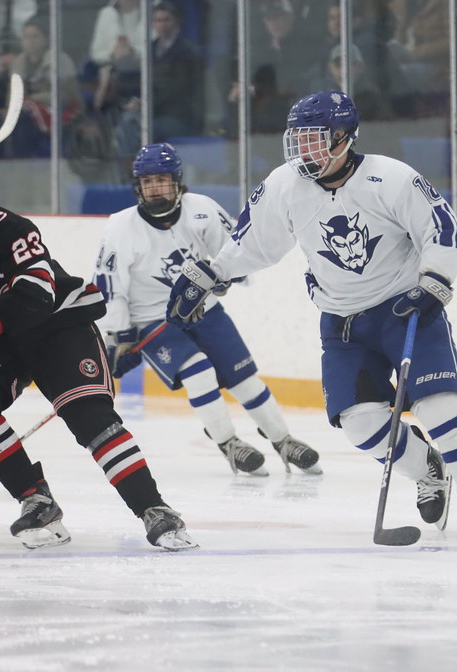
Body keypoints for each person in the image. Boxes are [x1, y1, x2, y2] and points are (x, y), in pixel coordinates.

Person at [166, 90, 457, 536]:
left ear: (345, 137)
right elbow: (252, 244)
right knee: (361, 426)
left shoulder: (390, 178)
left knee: (439, 405)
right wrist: (209, 274)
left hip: (406, 310)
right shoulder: (284, 186)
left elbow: (439, 224)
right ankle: (428, 469)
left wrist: (434, 280)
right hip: (343, 325)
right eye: (299, 140)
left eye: (316, 139)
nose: (304, 151)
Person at [0, 166, 197, 551]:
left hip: (58, 326)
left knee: (89, 417)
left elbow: (35, 295)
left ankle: (154, 508)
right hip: (1, 341)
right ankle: (37, 500)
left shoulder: (12, 230)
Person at [94, 143, 322, 477]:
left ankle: (282, 440)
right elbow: (108, 284)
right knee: (198, 372)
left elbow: (233, 250)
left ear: (177, 181)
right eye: (147, 181)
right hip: (153, 320)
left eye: (161, 179)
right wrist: (120, 334)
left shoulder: (202, 209)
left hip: (203, 308)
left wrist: (226, 278)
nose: (154, 187)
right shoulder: (120, 227)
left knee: (244, 378)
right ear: (138, 186)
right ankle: (229, 443)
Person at [9, 14, 82, 157]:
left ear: (45, 39)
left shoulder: (60, 60)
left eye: (35, 36)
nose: (31, 41)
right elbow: (12, 95)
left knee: (23, 120)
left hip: (59, 113)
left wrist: (34, 99)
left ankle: (28, 161)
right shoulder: (18, 63)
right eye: (27, 37)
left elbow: (67, 96)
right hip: (27, 112)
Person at [150, 2, 204, 142]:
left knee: (147, 128)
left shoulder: (187, 51)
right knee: (128, 122)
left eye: (166, 19)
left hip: (177, 116)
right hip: (152, 111)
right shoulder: (149, 49)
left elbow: (179, 89)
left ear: (177, 21)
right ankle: (131, 163)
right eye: (158, 20)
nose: (162, 24)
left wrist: (147, 103)